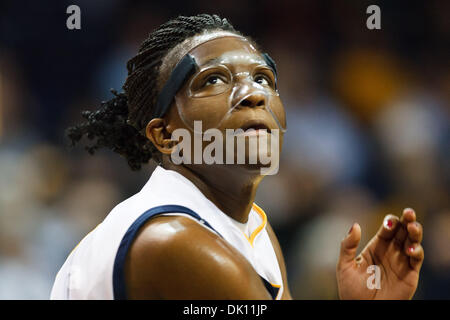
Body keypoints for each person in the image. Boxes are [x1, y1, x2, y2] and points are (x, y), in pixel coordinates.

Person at [51, 14, 424, 300]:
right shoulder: (174, 241)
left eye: (263, 78)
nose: (254, 94)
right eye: (213, 79)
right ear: (165, 135)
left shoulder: (252, 229)